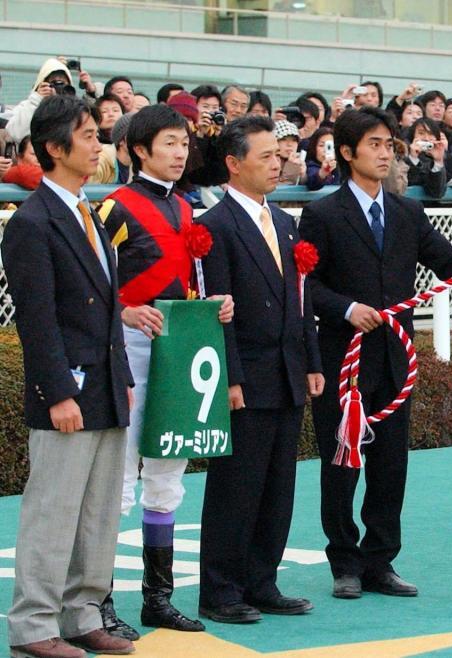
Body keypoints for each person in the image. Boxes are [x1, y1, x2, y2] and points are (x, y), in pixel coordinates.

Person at [298, 106, 452, 601]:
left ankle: (381, 561)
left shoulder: (406, 212)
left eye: (389, 144)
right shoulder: (321, 214)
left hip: (396, 359)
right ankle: (345, 563)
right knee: (341, 463)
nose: (385, 153)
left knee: (391, 465)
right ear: (347, 152)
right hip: (344, 362)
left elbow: (447, 261)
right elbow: (304, 284)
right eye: (375, 144)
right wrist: (347, 308)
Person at [2, 94, 136, 658]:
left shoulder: (88, 213)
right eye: (86, 135)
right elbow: (37, 321)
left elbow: (108, 308)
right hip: (67, 390)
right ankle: (34, 624)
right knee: (53, 510)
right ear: (55, 148)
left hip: (105, 384)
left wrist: (123, 374)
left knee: (100, 510)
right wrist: (57, 391)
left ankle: (82, 613)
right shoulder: (32, 223)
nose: (97, 145)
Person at [100, 104, 235, 636]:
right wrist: (123, 311)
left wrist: (213, 304)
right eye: (169, 143)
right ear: (139, 150)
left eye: (184, 143)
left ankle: (159, 598)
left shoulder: (186, 208)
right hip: (129, 349)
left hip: (179, 348)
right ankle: (98, 604)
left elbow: (189, 282)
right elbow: (88, 287)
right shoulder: (113, 207)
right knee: (119, 481)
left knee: (166, 477)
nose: (181, 153)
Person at [198, 115, 324, 624]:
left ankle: (262, 580)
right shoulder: (215, 227)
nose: (279, 163)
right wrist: (229, 378)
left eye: (280, 154)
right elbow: (216, 308)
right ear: (233, 163)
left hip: (289, 370)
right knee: (237, 485)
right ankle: (220, 589)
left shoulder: (287, 223)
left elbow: (302, 299)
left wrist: (312, 362)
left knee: (278, 484)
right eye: (266, 156)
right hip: (246, 375)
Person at [403, 117, 447, 198]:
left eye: (431, 134)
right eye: (421, 133)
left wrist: (438, 161)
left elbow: (437, 192)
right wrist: (413, 158)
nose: (426, 138)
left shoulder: (442, 158)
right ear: (413, 136)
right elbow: (409, 183)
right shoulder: (403, 156)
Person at [304, 126, 340, 191]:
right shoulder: (310, 166)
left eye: (330, 146)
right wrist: (322, 173)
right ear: (314, 147)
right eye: (321, 145)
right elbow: (312, 183)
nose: (325, 150)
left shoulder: (342, 168)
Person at [273, 119, 306, 185]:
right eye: (283, 139)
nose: (289, 144)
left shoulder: (300, 161)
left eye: (294, 140)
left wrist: (303, 175)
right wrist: (290, 169)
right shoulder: (266, 164)